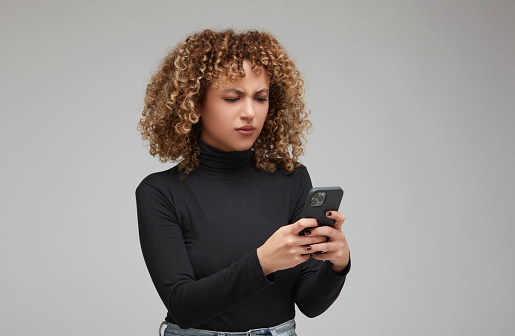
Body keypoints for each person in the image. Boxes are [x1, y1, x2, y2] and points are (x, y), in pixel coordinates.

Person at [136, 29, 350, 336]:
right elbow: (183, 306)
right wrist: (263, 262)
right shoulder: (160, 193)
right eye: (232, 98)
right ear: (194, 105)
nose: (249, 112)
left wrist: (338, 264)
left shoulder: (292, 180)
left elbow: (310, 304)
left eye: (260, 97)